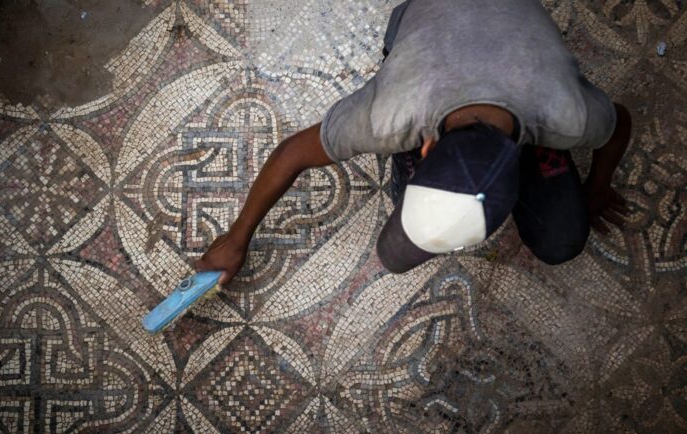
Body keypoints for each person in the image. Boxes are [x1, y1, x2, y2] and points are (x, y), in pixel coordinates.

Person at [195, 0, 632, 285]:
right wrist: (237, 237)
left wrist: (597, 188)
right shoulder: (389, 112)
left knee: (562, 240)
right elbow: (292, 154)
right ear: (424, 146)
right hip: (423, 17)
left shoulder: (567, 114)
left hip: (514, 20)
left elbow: (620, 125)